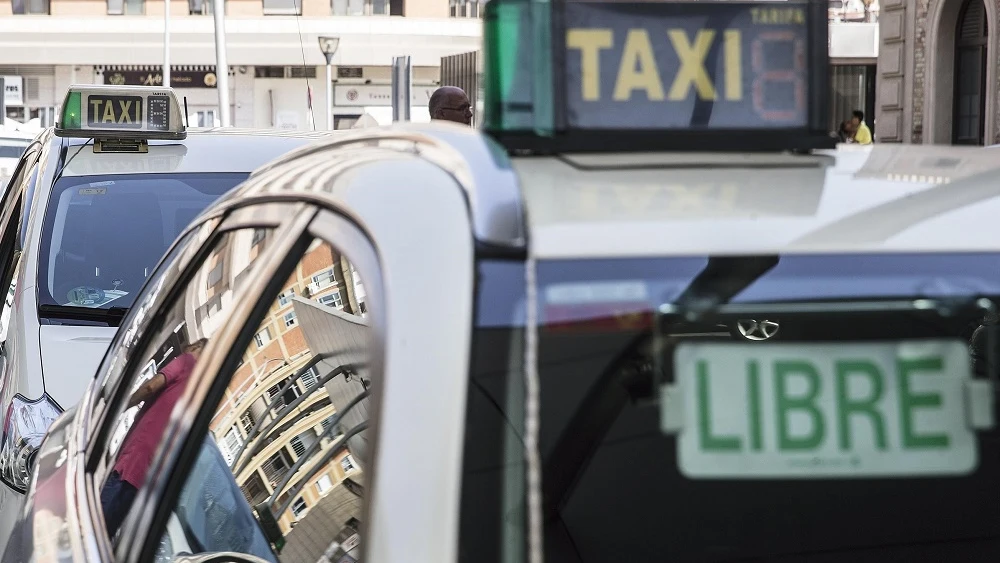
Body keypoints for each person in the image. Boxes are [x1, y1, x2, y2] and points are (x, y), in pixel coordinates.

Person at [100, 337, 208, 537]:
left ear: (197, 347)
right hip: (151, 471)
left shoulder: (186, 362)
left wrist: (122, 405)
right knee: (109, 530)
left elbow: (151, 386)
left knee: (96, 522)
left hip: (136, 456)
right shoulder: (200, 392)